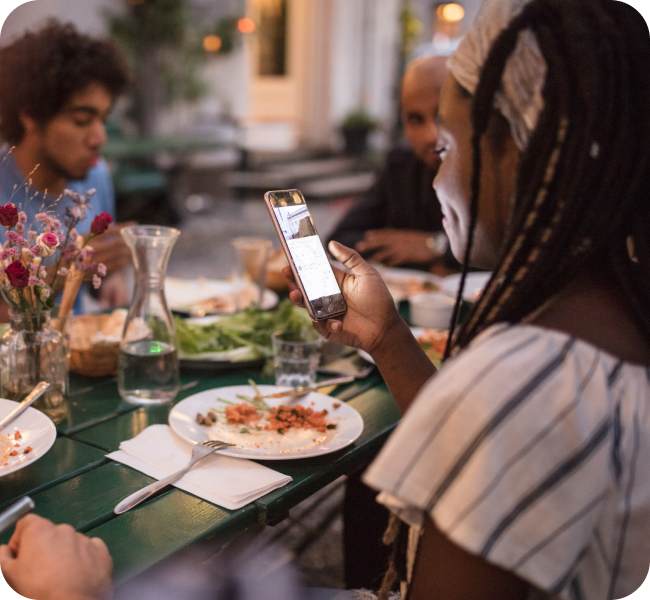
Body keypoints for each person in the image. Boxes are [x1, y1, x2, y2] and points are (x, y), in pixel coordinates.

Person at [3, 1, 650, 599]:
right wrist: (388, 339)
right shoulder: (602, 325)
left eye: (446, 145)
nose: (433, 166)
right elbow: (476, 457)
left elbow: (491, 433)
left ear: (515, 148)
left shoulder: (525, 386)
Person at [0, 20, 133, 317]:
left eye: (103, 119)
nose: (100, 138)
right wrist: (66, 271)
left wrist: (111, 275)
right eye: (82, 121)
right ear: (30, 116)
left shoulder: (94, 175)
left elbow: (95, 268)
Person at [328, 55, 452, 271]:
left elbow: (510, 254)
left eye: (442, 117)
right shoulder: (401, 166)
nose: (430, 135)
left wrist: (437, 247)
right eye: (415, 120)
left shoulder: (497, 172)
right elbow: (340, 241)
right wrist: (422, 257)